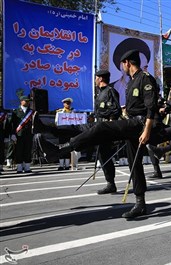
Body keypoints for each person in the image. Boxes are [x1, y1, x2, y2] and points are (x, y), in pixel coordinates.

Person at [39, 49, 159, 219]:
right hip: (132, 123)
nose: (122, 68)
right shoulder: (132, 82)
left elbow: (151, 106)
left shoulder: (145, 78)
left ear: (127, 63)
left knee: (100, 129)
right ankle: (141, 204)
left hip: (140, 124)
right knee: (135, 165)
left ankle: (60, 149)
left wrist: (147, 129)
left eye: (122, 64)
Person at [111, 38, 152, 106]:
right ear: (123, 65)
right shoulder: (111, 89)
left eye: (144, 67)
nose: (140, 71)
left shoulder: (146, 80)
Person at [10, 95, 35, 173]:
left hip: (28, 134)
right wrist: (12, 134)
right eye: (26, 101)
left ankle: (27, 167)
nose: (27, 102)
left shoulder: (31, 112)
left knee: (27, 150)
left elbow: (35, 123)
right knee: (19, 151)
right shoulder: (15, 111)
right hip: (19, 134)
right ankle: (19, 167)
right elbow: (12, 124)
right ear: (21, 101)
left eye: (28, 101)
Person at [55, 97, 75, 170]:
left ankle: (67, 165)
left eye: (69, 103)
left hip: (69, 132)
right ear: (64, 104)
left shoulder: (73, 112)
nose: (67, 104)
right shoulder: (59, 112)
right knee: (61, 147)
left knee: (68, 148)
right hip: (61, 132)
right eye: (66, 103)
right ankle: (61, 165)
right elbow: (56, 122)